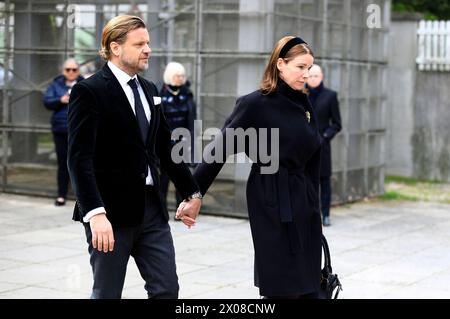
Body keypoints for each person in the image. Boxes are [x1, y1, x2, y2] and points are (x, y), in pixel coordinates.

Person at [177, 36, 323, 299]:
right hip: (271, 197)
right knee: (282, 282)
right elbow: (218, 151)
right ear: (280, 64)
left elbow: (314, 157)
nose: (307, 73)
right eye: (301, 67)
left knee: (309, 280)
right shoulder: (255, 104)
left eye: (309, 68)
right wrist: (194, 194)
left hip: (303, 198)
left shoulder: (305, 105)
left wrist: (315, 203)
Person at [67, 15, 201, 299]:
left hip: (152, 209)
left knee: (167, 289)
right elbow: (79, 158)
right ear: (116, 47)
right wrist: (95, 214)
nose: (148, 49)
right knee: (107, 293)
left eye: (148, 43)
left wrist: (191, 191)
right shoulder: (88, 91)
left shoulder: (151, 90)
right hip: (109, 214)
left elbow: (165, 147)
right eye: (139, 44)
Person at [43, 58, 84, 206]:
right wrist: (61, 99)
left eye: (74, 69)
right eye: (68, 70)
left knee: (81, 163)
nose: (71, 72)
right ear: (63, 71)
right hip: (60, 129)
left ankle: (82, 197)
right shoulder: (56, 84)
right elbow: (47, 101)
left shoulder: (84, 84)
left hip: (79, 130)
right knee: (63, 163)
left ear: (78, 71)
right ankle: (61, 194)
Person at [306, 64, 341, 227]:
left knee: (324, 181)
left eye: (316, 76)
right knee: (305, 181)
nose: (313, 79)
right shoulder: (300, 94)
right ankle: (307, 213)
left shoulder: (330, 96)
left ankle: (325, 214)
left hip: (322, 146)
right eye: (310, 76)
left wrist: (326, 136)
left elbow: (336, 123)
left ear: (321, 77)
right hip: (303, 146)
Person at [159, 62, 196, 214]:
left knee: (183, 176)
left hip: (183, 140)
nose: (181, 79)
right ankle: (161, 210)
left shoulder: (187, 93)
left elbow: (192, 119)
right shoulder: (160, 94)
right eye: (177, 76)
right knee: (164, 177)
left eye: (182, 75)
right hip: (166, 142)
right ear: (169, 77)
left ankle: (182, 210)